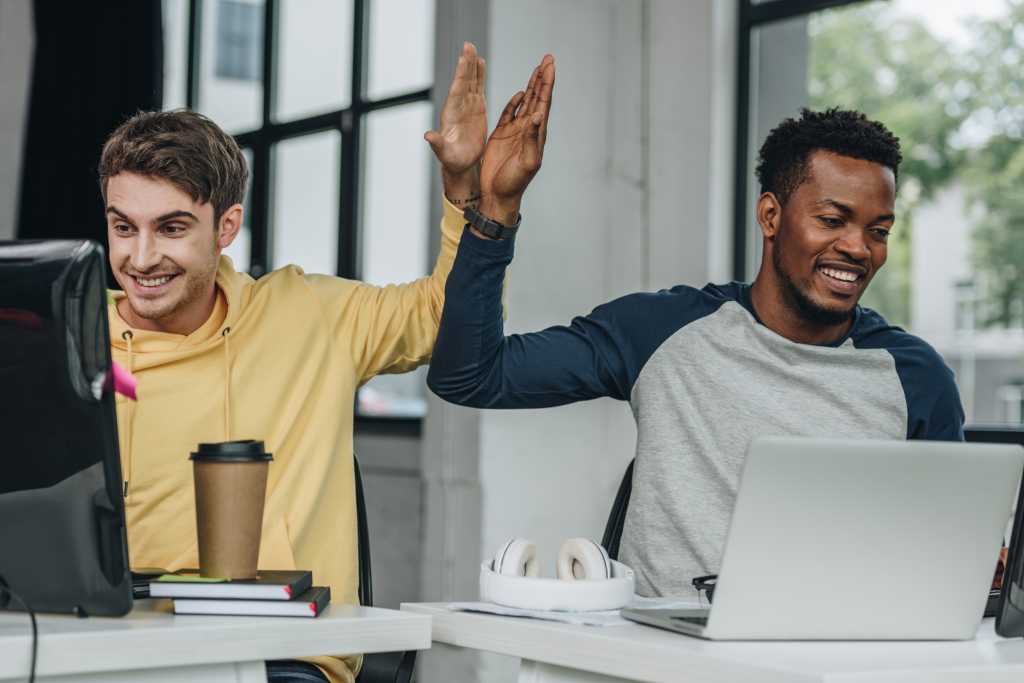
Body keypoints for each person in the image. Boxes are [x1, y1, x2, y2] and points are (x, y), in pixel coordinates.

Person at [99, 44, 554, 683]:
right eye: (124, 228)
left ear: (226, 226)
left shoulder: (309, 315)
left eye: (172, 229)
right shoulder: (75, 341)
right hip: (108, 646)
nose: (142, 257)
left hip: (279, 656)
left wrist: (467, 198)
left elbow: (439, 317)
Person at [427, 108, 965, 598]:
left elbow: (948, 546)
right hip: (666, 659)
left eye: (879, 230)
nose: (857, 248)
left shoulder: (915, 377)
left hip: (835, 657)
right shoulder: (662, 329)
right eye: (831, 220)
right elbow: (471, 376)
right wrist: (494, 213)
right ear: (771, 216)